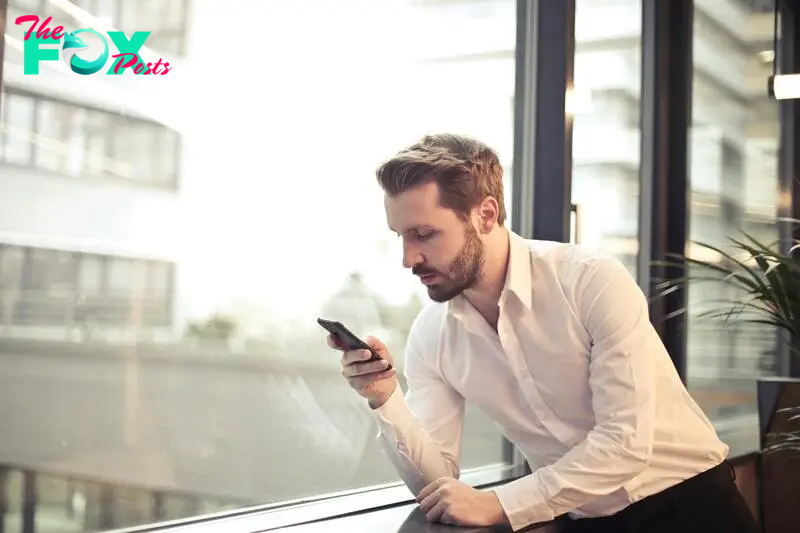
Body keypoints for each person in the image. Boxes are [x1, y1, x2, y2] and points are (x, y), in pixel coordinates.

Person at [326, 133, 760, 533]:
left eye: (424, 234)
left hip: (690, 507)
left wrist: (501, 503)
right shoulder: (431, 336)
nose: (408, 258)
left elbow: (625, 444)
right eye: (401, 236)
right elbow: (438, 486)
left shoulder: (591, 281)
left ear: (485, 214)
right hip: (579, 520)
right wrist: (385, 398)